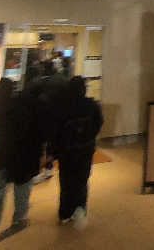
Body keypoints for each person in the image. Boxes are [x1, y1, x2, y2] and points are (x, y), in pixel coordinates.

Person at [0, 78, 44, 248]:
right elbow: (26, 134)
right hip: (19, 158)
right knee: (22, 189)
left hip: (0, 159)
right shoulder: (17, 108)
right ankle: (19, 219)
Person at [54, 76, 103, 229]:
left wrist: (56, 148)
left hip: (67, 151)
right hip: (85, 149)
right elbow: (99, 123)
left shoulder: (62, 106)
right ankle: (80, 210)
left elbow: (56, 129)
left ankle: (65, 213)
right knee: (82, 180)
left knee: (66, 181)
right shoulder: (91, 105)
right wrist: (89, 136)